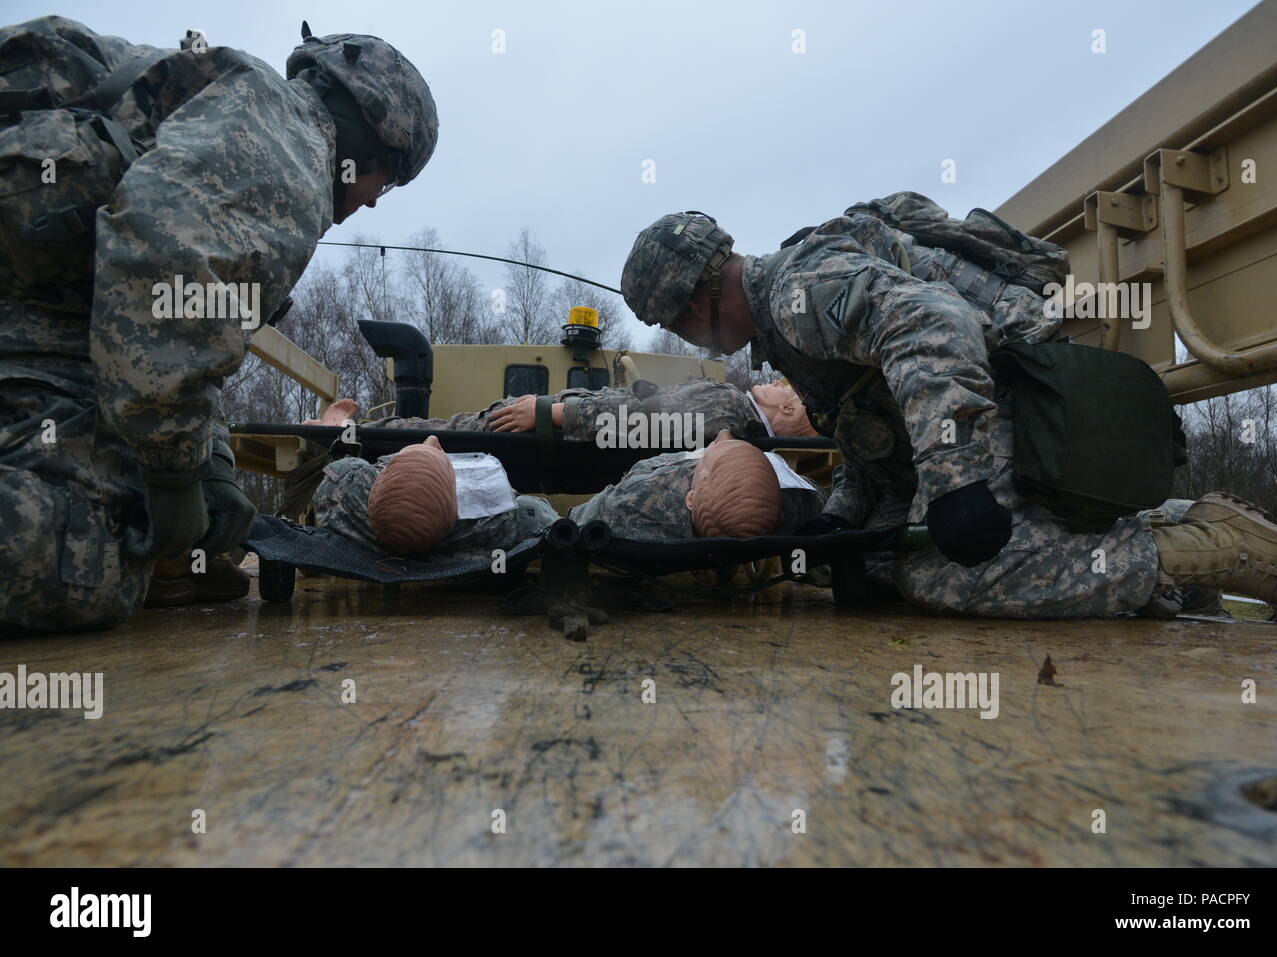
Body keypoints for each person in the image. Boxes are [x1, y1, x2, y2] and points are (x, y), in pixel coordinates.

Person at [619, 197, 1277, 618]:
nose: (686, 337)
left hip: (1003, 408)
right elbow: (865, 420)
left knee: (946, 580)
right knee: (882, 567)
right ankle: (1178, 539)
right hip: (978, 416)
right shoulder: (780, 326)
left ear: (695, 297)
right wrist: (841, 517)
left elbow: (933, 324)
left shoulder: (797, 290)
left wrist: (953, 484)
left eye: (676, 323)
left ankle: (1212, 550)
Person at [0, 16, 438, 632]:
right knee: (78, 560)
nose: (369, 200)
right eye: (384, 182)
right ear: (367, 140)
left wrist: (211, 460)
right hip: (34, 313)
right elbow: (165, 270)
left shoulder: (245, 109)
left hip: (38, 307)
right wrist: (176, 471)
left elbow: (176, 326)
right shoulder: (292, 150)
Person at [359, 377, 818, 442]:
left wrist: (545, 412)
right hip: (565, 431)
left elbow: (644, 419)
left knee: (446, 431)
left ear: (790, 409)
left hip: (547, 431)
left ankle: (352, 431)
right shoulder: (739, 426)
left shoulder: (729, 405)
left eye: (783, 385)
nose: (774, 381)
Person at [313, 437, 557, 557]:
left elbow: (342, 471)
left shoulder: (343, 493)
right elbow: (530, 516)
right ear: (456, 507)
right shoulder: (495, 524)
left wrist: (397, 463)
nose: (433, 439)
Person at [569, 430, 825, 541]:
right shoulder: (803, 504)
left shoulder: (625, 506)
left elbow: (575, 521)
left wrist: (720, 445)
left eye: (704, 460)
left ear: (690, 498)